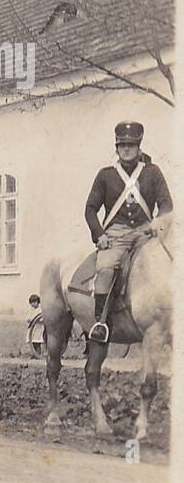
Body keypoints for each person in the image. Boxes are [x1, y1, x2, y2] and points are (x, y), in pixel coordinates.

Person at [84, 120, 173, 343]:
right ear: (116, 147)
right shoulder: (105, 175)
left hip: (146, 235)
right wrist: (100, 235)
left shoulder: (153, 173)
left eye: (131, 145)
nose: (126, 149)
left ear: (139, 146)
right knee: (105, 269)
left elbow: (166, 205)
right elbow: (90, 209)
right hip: (116, 236)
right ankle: (100, 324)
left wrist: (157, 225)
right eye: (122, 145)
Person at [27, 293, 45, 358]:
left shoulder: (40, 310)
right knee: (32, 341)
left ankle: (38, 354)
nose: (33, 304)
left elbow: (42, 318)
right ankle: (34, 354)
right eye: (32, 302)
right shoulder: (30, 310)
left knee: (37, 342)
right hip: (32, 327)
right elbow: (28, 318)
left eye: (35, 302)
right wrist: (30, 320)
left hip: (38, 328)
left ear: (38, 302)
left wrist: (38, 321)